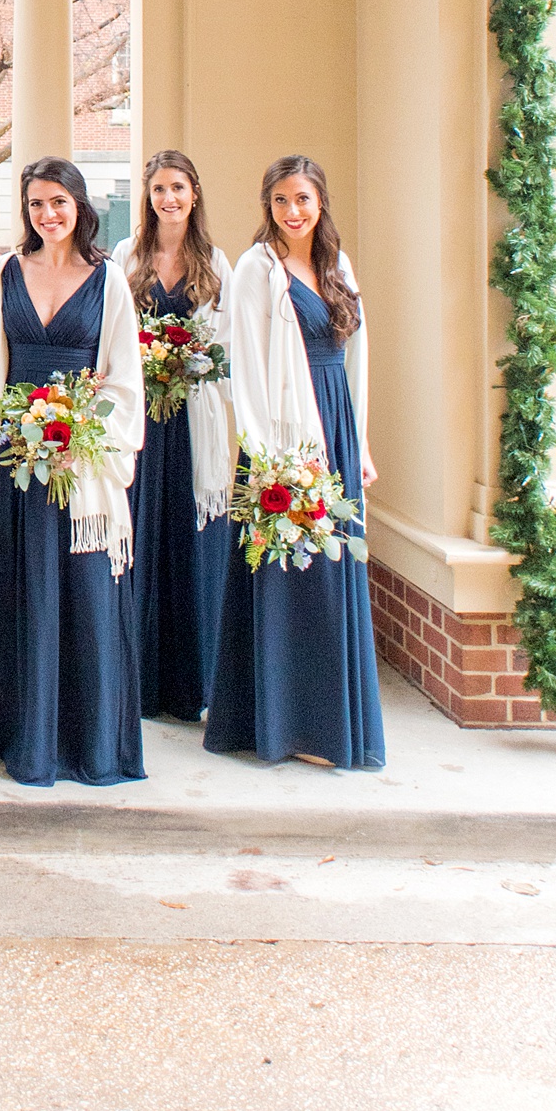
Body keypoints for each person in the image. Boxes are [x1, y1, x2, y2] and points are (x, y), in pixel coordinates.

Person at [0, 156, 144, 788]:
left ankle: (88, 740)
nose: (48, 214)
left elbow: (122, 375)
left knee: (84, 591)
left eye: (58, 201)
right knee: (17, 586)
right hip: (17, 458)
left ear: (79, 206)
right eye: (36, 204)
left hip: (82, 460)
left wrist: (86, 435)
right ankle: (18, 731)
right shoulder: (8, 273)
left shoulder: (108, 279)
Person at [204, 155, 385, 771]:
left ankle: (332, 723)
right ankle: (288, 724)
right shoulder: (258, 269)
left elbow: (355, 360)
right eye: (280, 201)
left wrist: (358, 445)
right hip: (284, 439)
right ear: (268, 207)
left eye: (302, 199)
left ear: (320, 202)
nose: (292, 211)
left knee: (332, 576)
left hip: (335, 426)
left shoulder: (338, 266)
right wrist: (270, 455)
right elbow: (245, 365)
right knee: (289, 579)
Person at [119, 150, 234, 720]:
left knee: (191, 540)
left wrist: (192, 360)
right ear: (148, 196)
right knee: (142, 536)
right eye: (159, 189)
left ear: (195, 194)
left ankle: (194, 685)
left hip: (193, 418)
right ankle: (138, 681)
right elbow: (114, 338)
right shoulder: (127, 257)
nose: (169, 199)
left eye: (179, 188)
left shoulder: (215, 262)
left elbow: (227, 344)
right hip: (145, 415)